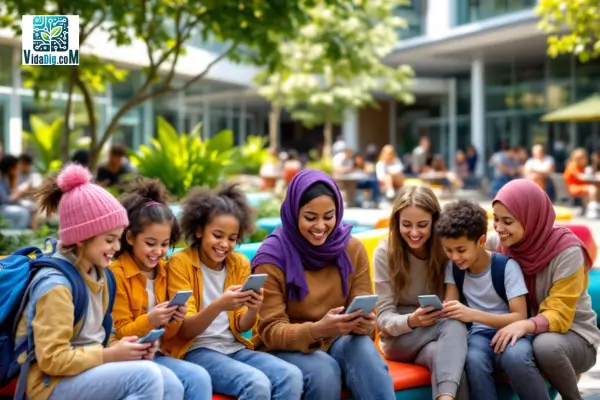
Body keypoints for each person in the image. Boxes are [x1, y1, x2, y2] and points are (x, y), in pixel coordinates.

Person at [17, 164, 177, 400]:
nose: (116, 247)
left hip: (87, 371)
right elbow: (52, 360)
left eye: (118, 239)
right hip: (50, 384)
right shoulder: (56, 286)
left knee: (170, 383)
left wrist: (132, 348)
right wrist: (109, 355)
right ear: (82, 238)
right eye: (110, 239)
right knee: (146, 377)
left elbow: (100, 339)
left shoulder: (101, 275)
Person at [252, 169, 395, 400]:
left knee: (364, 351)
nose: (320, 227)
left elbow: (366, 320)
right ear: (293, 212)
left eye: (328, 216)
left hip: (337, 340)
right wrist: (319, 329)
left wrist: (366, 323)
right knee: (324, 370)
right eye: (310, 218)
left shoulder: (351, 249)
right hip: (285, 348)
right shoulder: (272, 257)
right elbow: (270, 332)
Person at [164, 184, 303, 400]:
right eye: (217, 235)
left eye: (232, 238)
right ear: (199, 231)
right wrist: (219, 304)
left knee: (291, 376)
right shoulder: (180, 263)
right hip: (195, 350)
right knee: (255, 384)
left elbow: (242, 326)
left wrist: (253, 308)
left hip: (234, 347)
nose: (224, 244)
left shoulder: (238, 263)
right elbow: (185, 330)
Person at [490, 179, 600, 400]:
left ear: (531, 219)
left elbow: (559, 315)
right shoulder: (498, 244)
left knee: (545, 346)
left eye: (507, 221)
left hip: (573, 335)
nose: (499, 228)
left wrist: (524, 324)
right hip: (522, 330)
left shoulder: (567, 251)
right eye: (495, 219)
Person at [110, 177, 212, 400]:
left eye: (164, 244)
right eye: (150, 243)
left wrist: (175, 318)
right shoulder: (117, 274)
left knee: (199, 377)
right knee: (171, 385)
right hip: (128, 356)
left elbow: (170, 336)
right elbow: (119, 333)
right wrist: (151, 319)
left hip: (159, 353)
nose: (158, 251)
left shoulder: (166, 270)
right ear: (129, 237)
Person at [437, 200, 541, 400]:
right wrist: (439, 310)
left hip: (512, 333)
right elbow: (451, 306)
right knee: (473, 360)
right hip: (478, 336)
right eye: (448, 250)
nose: (455, 256)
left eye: (461, 250)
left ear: (481, 241)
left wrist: (473, 314)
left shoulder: (506, 267)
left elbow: (520, 316)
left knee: (516, 358)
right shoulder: (453, 268)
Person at [374, 185, 468, 400]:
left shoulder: (445, 248)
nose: (414, 233)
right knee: (453, 326)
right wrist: (412, 320)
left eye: (422, 225)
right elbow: (383, 318)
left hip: (440, 332)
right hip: (400, 338)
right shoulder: (385, 252)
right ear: (396, 222)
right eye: (406, 225)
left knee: (447, 361)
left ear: (435, 222)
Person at [0, 155, 31, 229]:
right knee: (23, 213)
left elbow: (12, 191)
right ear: (11, 168)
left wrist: (14, 178)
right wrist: (21, 192)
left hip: (5, 207)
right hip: (2, 208)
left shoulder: (5, 178)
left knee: (30, 208)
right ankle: (15, 236)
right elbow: (5, 200)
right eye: (16, 167)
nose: (18, 169)